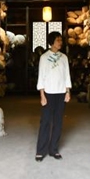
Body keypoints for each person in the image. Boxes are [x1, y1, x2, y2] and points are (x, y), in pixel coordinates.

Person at [35, 31, 71, 162]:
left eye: (61, 40)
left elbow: (67, 76)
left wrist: (67, 92)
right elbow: (41, 77)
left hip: (61, 93)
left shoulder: (64, 58)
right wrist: (42, 95)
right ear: (52, 42)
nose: (60, 43)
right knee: (45, 122)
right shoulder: (44, 57)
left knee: (58, 122)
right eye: (58, 40)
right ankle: (40, 150)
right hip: (48, 93)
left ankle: (53, 149)